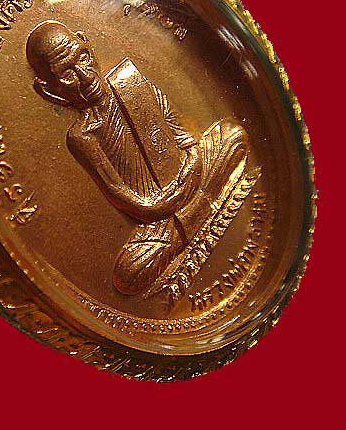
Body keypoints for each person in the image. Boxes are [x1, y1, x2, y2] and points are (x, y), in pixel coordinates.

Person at [26, 20, 251, 297]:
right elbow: (119, 194)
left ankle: (191, 218)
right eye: (67, 74)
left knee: (232, 136)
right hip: (158, 216)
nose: (85, 77)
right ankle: (198, 211)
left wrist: (191, 169)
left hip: (191, 174)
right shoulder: (83, 136)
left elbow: (183, 136)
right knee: (130, 273)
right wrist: (158, 206)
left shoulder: (130, 82)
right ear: (49, 89)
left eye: (82, 58)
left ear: (87, 45)